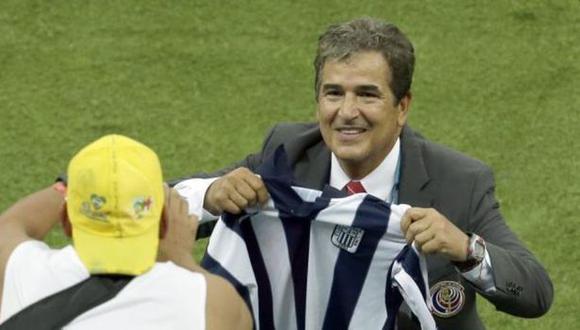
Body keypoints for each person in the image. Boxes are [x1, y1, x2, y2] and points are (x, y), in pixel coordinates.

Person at [174, 18, 553, 329]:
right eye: (333, 93)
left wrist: (465, 249)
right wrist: (210, 195)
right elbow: (153, 207)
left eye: (367, 95)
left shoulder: (457, 181)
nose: (347, 112)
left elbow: (536, 292)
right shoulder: (288, 157)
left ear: (402, 107)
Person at [0, 135, 252, 330]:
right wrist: (181, 256)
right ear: (163, 223)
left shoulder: (20, 270)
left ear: (66, 221)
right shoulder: (211, 302)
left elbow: (13, 221)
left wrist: (73, 187)